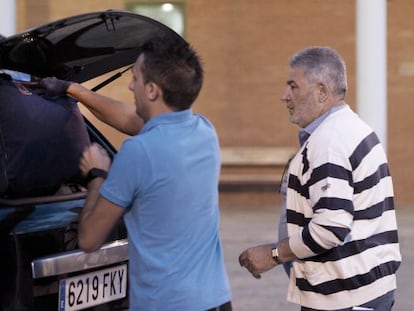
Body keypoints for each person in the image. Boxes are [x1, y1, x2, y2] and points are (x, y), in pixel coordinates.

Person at [39, 35, 232, 310]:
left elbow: (89, 239)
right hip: (216, 299)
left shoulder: (138, 153)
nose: (131, 86)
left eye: (135, 78)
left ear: (151, 90)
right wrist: (74, 90)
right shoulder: (204, 131)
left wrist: (96, 175)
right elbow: (131, 118)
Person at [239, 46, 401, 310]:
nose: (285, 96)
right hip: (363, 290)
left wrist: (274, 254)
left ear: (322, 92)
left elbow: (330, 228)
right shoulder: (351, 127)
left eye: (293, 87)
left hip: (346, 297)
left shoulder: (329, 141)